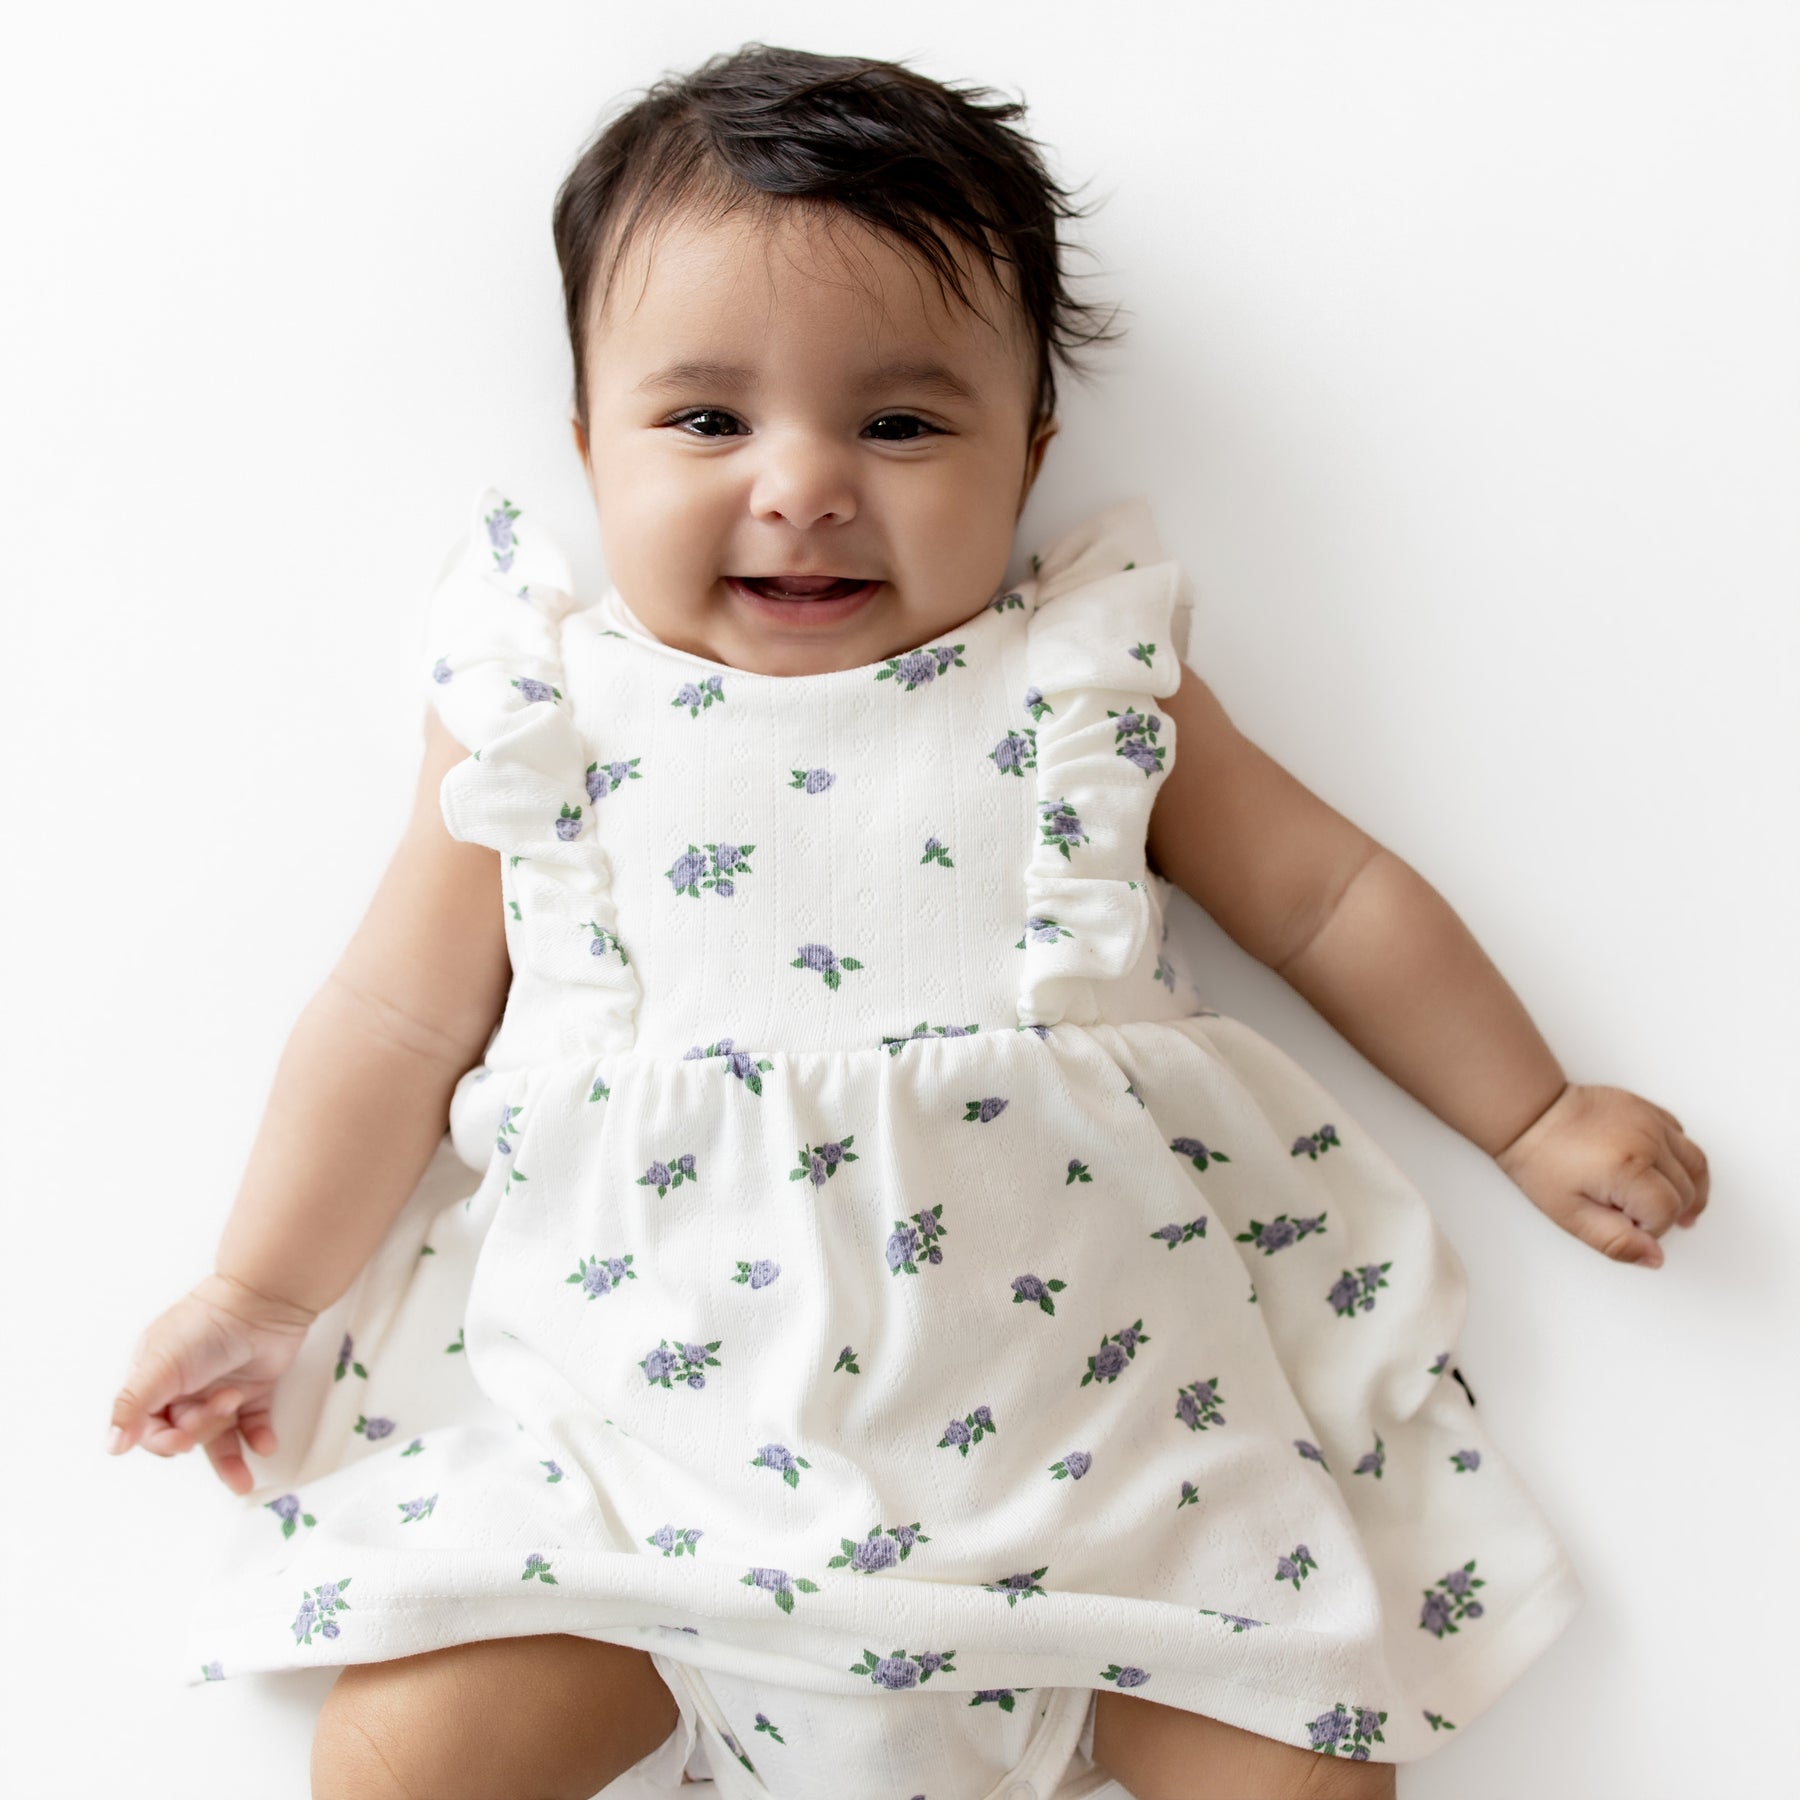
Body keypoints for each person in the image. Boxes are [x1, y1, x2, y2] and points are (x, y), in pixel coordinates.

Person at [105, 42, 1709, 1800]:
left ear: (1026, 453)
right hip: (640, 1488)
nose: (801, 483)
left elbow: (1329, 900)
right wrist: (262, 1291)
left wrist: (1534, 1110)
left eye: (901, 421)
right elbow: (395, 1023)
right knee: (403, 1757)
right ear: (588, 439)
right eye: (707, 420)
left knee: (1307, 1765)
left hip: (1110, 1481)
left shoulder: (1086, 689)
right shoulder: (539, 719)